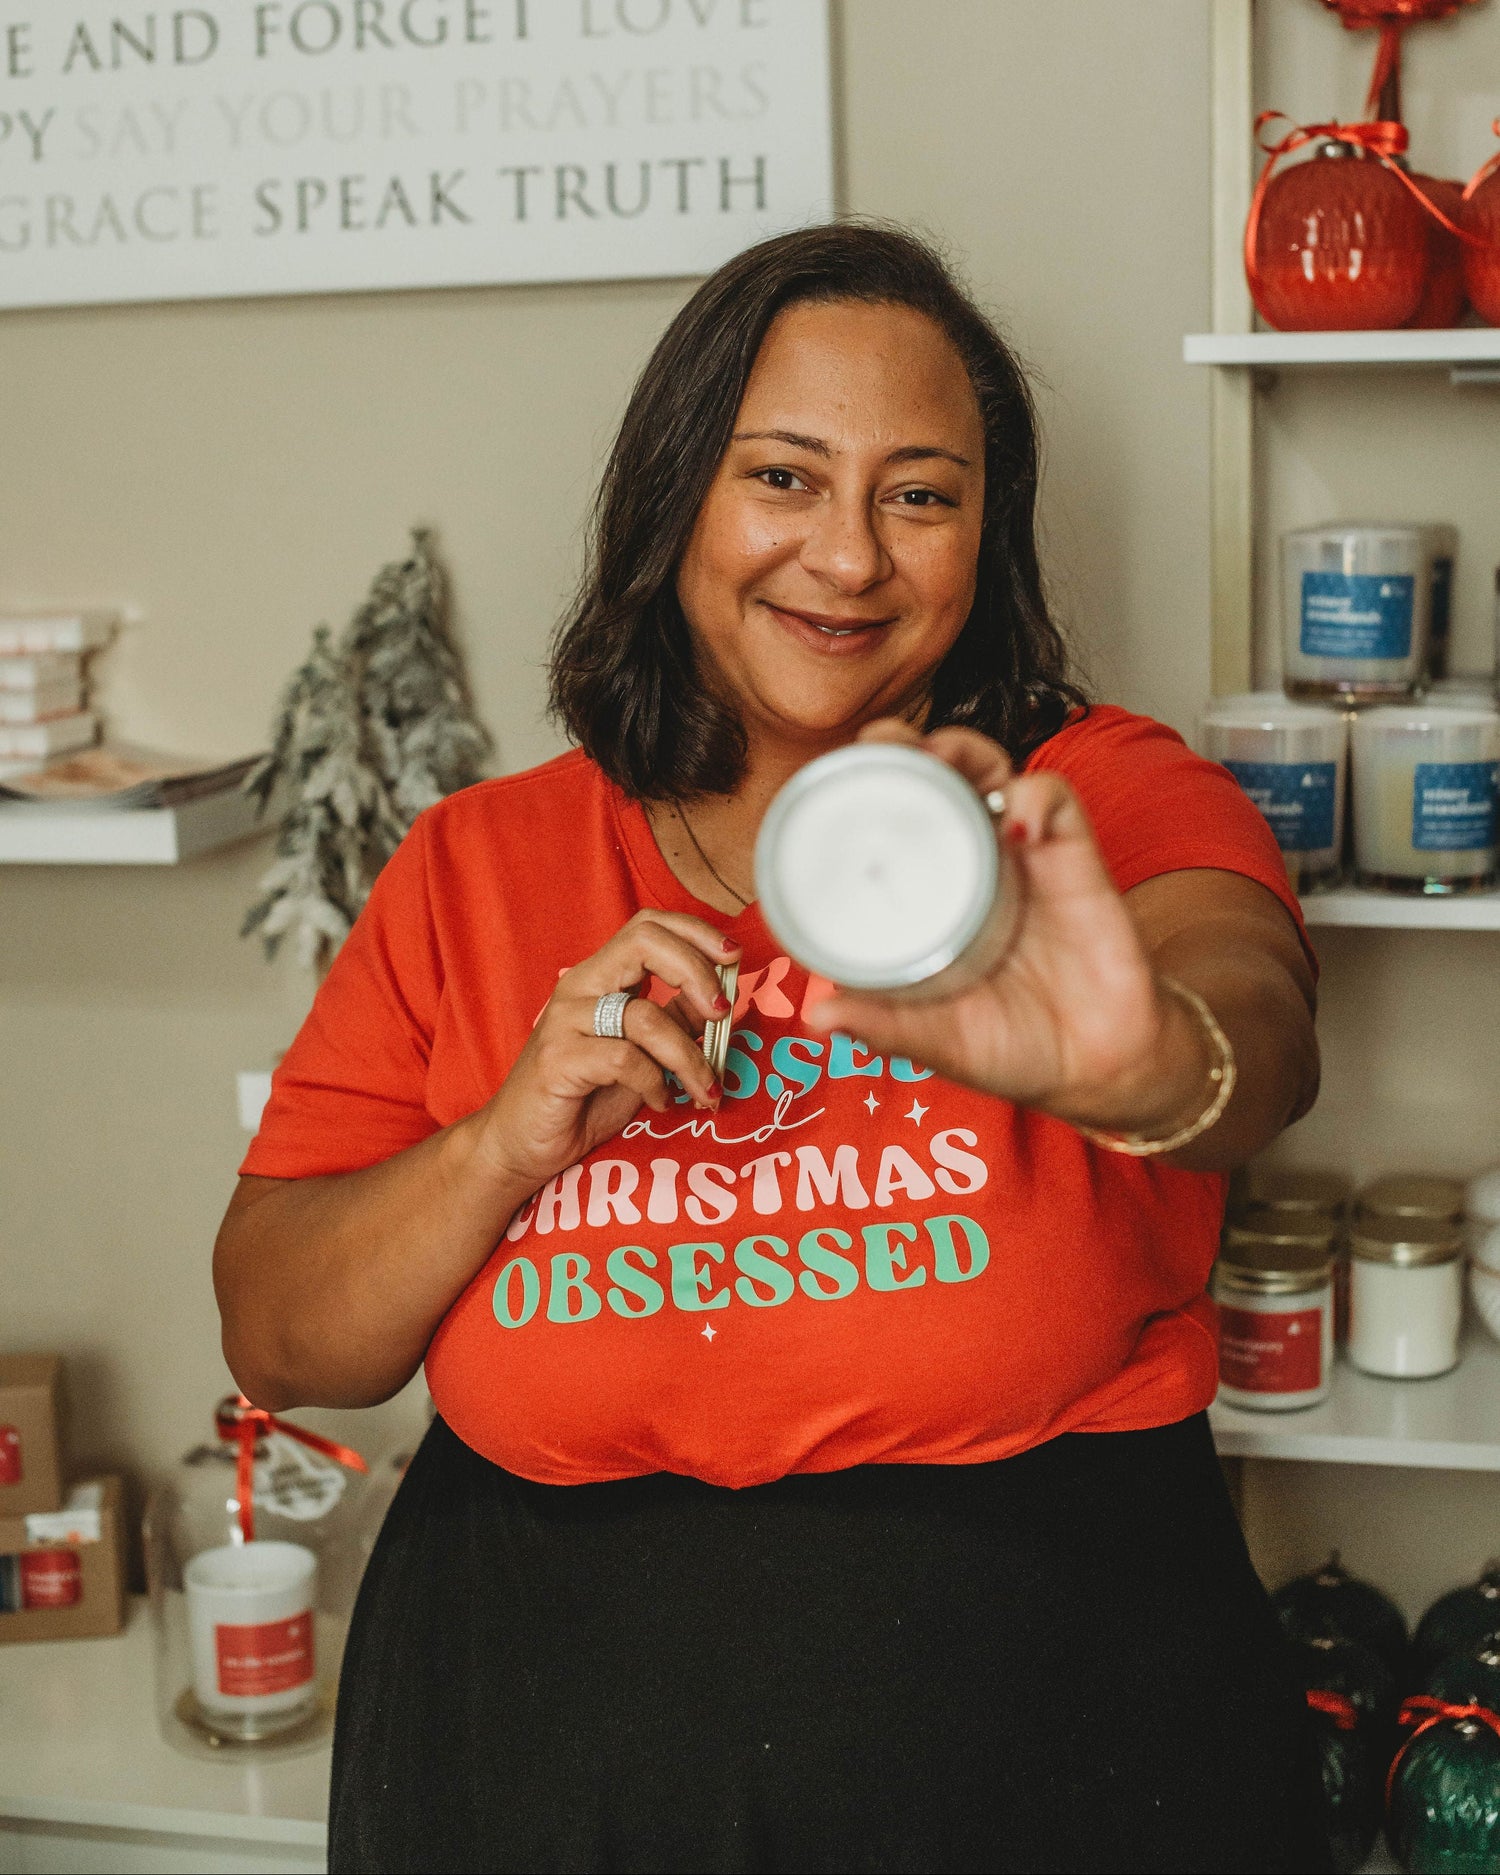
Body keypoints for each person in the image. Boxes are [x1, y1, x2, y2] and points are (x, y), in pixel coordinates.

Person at [215, 223, 1326, 1874]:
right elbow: (278, 1333)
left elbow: (1250, 1016)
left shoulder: (1086, 798)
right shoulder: (477, 863)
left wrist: (1136, 1059)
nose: (852, 557)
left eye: (921, 493)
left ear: (983, 536)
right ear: (677, 504)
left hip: (1064, 1760)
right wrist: (504, 1141)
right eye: (786, 478)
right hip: (524, 1764)